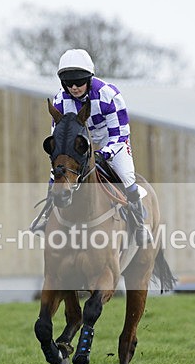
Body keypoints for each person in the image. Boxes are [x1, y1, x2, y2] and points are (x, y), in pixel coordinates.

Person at [31, 49, 151, 245]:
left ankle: (140, 224)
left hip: (111, 142)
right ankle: (45, 218)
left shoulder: (109, 95)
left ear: (89, 78)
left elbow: (119, 134)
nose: (75, 87)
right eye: (69, 83)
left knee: (127, 176)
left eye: (79, 81)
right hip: (78, 147)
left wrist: (105, 153)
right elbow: (58, 137)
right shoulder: (60, 100)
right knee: (56, 176)